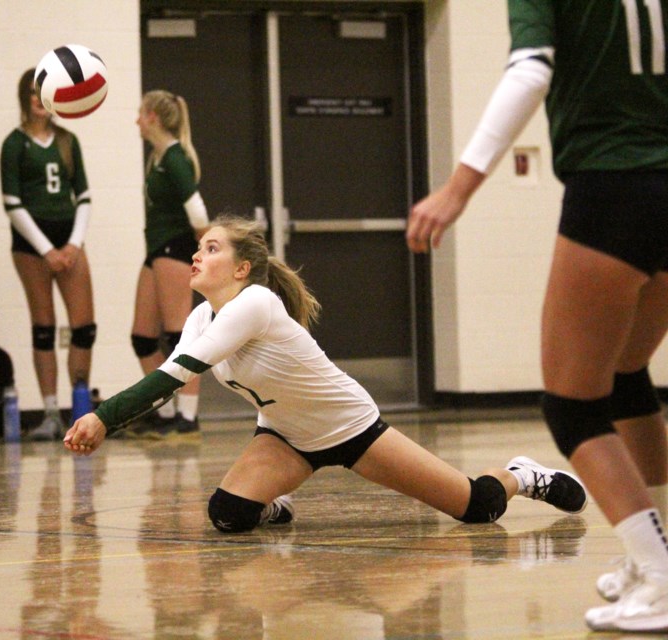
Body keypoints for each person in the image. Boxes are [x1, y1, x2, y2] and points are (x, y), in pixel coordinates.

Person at [65, 216, 587, 537]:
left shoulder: (257, 303)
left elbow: (175, 376)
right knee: (228, 514)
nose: (197, 256)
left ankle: (524, 475)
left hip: (352, 428)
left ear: (243, 268)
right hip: (286, 435)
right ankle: (279, 501)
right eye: (198, 248)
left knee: (478, 508)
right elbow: (168, 380)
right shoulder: (202, 317)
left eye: (212, 248)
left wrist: (104, 419)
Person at [404, 1, 668, 632]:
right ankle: (654, 552)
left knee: (572, 404)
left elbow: (529, 69)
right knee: (627, 376)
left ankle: (658, 578)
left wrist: (457, 189)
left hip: (614, 185)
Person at [0, 68, 96, 441]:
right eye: (32, 92)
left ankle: (81, 407)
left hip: (68, 236)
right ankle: (51, 413)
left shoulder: (68, 141)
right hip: (31, 243)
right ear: (23, 97)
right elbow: (12, 202)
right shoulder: (14, 144)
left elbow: (84, 196)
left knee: (84, 327)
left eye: (45, 92)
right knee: (44, 327)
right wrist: (46, 250)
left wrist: (72, 244)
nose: (38, 99)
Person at [128, 89, 209, 437]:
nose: (136, 120)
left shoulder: (176, 157)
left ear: (153, 118)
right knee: (142, 337)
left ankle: (188, 418)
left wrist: (206, 254)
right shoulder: (159, 157)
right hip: (156, 249)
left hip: (175, 249)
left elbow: (198, 211)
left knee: (180, 337)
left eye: (140, 113)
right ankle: (163, 411)